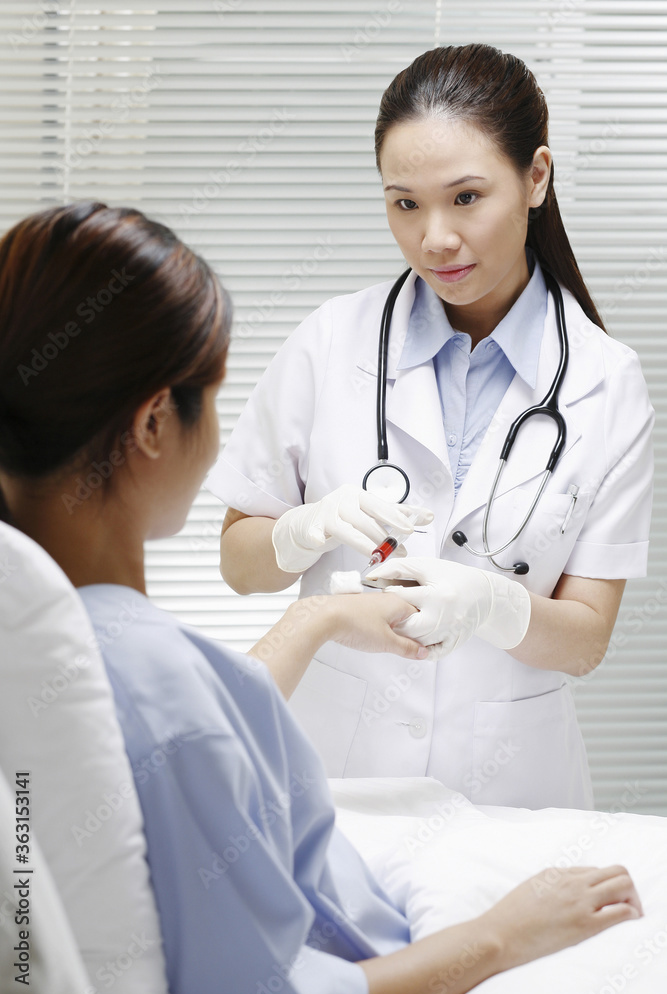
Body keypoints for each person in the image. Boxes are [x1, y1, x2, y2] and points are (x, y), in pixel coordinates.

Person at [0, 201, 644, 994]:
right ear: (156, 424)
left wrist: (327, 615)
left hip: (474, 795)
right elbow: (269, 990)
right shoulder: (157, 678)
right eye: (214, 394)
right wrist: (502, 936)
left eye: (465, 196)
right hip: (392, 935)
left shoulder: (59, 636)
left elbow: (195, 725)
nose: (436, 233)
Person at [209, 43, 654, 809]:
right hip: (337, 776)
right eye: (404, 203)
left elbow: (584, 640)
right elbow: (239, 567)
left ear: (535, 178)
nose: (434, 238)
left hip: (510, 792)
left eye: (466, 197)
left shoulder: (605, 382)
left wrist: (491, 606)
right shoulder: (329, 342)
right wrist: (299, 532)